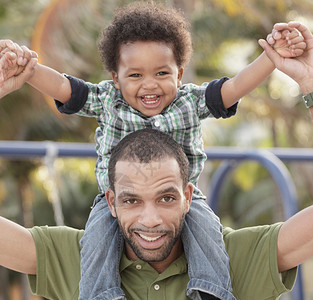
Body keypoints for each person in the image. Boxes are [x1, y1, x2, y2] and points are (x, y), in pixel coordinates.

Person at [0, 2, 306, 300]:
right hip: (112, 207)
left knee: (208, 233)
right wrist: (28, 70)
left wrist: (273, 58)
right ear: (116, 80)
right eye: (135, 75)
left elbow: (235, 87)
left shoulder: (189, 102)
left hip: (190, 203)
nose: (150, 85)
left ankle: (211, 290)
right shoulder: (108, 100)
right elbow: (66, 88)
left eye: (161, 74)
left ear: (179, 74)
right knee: (96, 241)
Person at [2, 127, 313, 300]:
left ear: (188, 197)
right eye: (132, 201)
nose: (149, 219)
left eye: (165, 198)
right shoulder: (80, 256)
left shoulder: (229, 256)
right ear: (111, 203)